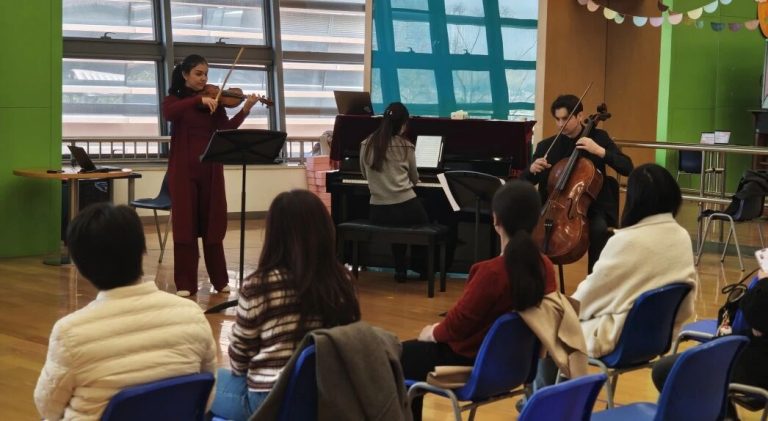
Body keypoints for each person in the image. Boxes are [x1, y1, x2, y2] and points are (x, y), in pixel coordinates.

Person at [34, 203, 217, 420]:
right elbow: (207, 396)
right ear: (142, 251)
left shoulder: (69, 333)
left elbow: (48, 408)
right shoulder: (192, 315)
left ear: (81, 267)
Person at [400, 180, 558, 421]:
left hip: (474, 363)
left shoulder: (491, 272)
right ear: (537, 220)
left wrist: (431, 332)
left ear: (496, 220)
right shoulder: (545, 266)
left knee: (397, 357)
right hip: (517, 366)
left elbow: (458, 325)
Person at [210, 190, 361, 421]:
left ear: (274, 236)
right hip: (326, 396)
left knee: (207, 386)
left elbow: (240, 356)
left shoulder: (259, 285)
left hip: (269, 400)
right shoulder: (342, 281)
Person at [572, 163, 697, 358]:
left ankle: (552, 380)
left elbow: (588, 296)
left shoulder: (625, 241)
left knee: (552, 329)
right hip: (661, 337)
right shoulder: (682, 236)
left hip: (618, 340)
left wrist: (560, 313)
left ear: (634, 199)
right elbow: (686, 306)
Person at [163, 54, 261, 297]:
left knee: (213, 224)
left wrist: (244, 110)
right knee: (185, 226)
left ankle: (220, 280)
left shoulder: (215, 103)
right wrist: (197, 99)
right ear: (185, 74)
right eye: (198, 74)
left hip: (211, 170)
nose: (203, 79)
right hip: (183, 172)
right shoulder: (176, 100)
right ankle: (185, 283)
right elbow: (169, 113)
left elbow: (226, 130)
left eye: (205, 74)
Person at [522, 94, 634, 273]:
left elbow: (627, 167)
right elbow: (524, 181)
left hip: (594, 208)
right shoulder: (547, 146)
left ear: (579, 116)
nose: (560, 124)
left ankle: (594, 281)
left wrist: (600, 151)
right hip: (554, 209)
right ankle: (537, 283)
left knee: (599, 230)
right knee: (529, 231)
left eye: (565, 119)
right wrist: (532, 169)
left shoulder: (599, 138)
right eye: (557, 119)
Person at [652, 274, 768, 420]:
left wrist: (763, 280)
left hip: (758, 366)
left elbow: (755, 315)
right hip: (750, 350)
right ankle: (725, 415)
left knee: (665, 370)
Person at [359, 101, 430, 281]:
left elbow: (364, 174)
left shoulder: (366, 144)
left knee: (397, 224)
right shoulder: (406, 146)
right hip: (405, 206)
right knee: (424, 221)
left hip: (377, 211)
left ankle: (400, 270)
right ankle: (422, 268)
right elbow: (414, 179)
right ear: (404, 124)